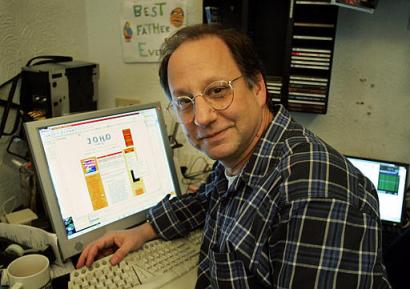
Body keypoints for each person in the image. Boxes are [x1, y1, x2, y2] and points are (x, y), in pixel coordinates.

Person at [77, 24, 391, 288]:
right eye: (185, 101)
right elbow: (209, 199)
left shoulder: (317, 192)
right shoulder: (246, 156)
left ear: (257, 88)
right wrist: (142, 232)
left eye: (217, 90)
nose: (202, 117)